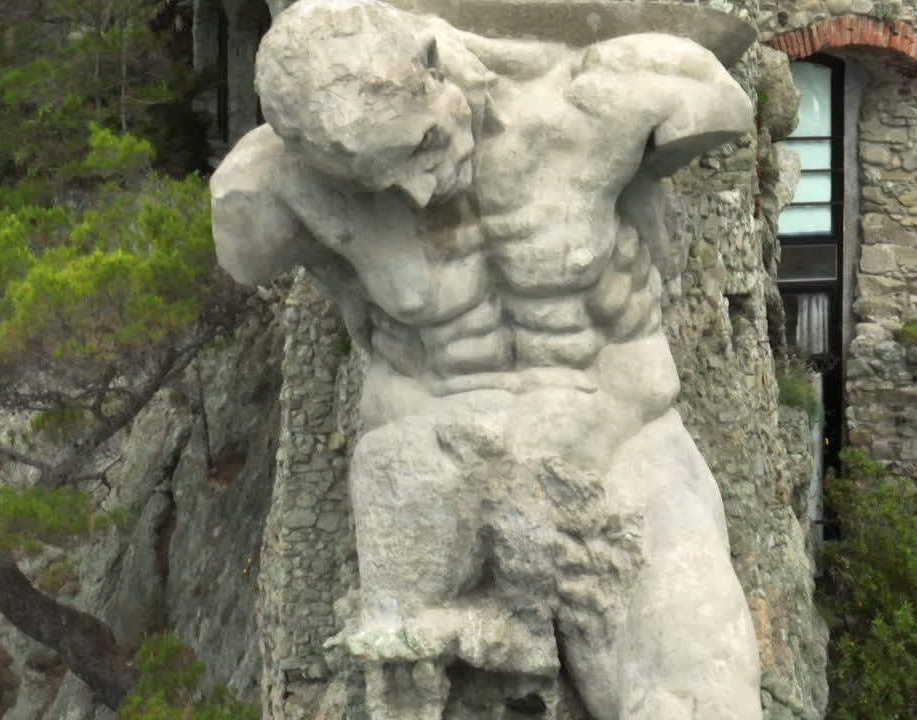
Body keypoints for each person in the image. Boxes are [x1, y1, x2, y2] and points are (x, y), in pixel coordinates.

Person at [211, 1, 762, 717]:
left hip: (620, 449)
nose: (415, 188)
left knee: (702, 698)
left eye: (423, 144)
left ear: (436, 68)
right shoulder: (276, 184)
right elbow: (248, 242)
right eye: (377, 181)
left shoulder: (605, 105)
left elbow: (724, 98)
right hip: (430, 469)